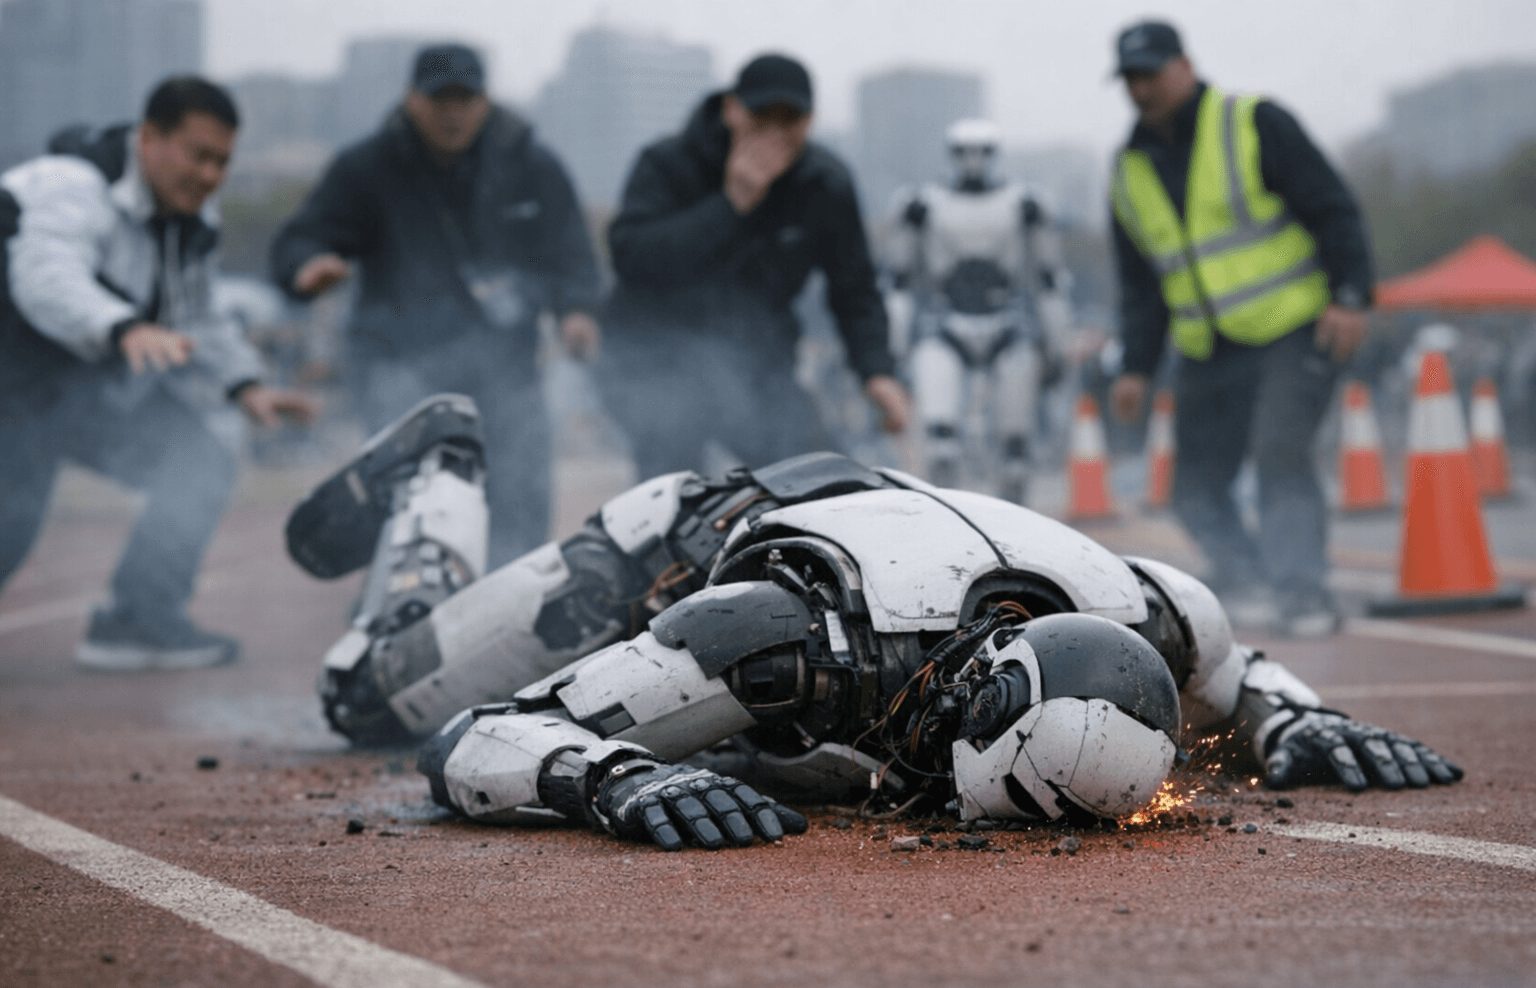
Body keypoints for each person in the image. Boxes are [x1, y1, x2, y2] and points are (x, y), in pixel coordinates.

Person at [283, 394, 1460, 851]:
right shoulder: (780, 639)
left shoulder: (1156, 614)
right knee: (367, 698)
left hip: (890, 517)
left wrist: (1297, 722)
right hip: (674, 544)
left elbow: (1250, 679)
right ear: (966, 709)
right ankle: (438, 462)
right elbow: (477, 739)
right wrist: (614, 778)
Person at [0, 77, 317, 672]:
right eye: (199, 156)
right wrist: (122, 327)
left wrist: (246, 385)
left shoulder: (191, 222)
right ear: (149, 138)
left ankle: (136, 620)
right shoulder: (67, 185)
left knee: (196, 461)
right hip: (11, 389)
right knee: (8, 530)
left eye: (222, 161)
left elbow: (200, 316)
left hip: (73, 393)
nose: (210, 175)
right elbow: (46, 279)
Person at [270, 43, 603, 566]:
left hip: (508, 372)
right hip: (398, 369)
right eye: (438, 100)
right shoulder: (366, 168)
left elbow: (573, 255)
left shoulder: (531, 165)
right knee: (412, 511)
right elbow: (300, 238)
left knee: (520, 508)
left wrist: (577, 312)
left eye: (464, 100)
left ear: (485, 102)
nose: (453, 114)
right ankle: (399, 602)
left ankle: (511, 601)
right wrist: (307, 266)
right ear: (411, 100)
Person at [1104, 21, 1374, 638]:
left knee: (1280, 453)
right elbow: (1141, 284)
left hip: (1292, 328)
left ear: (1185, 66)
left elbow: (1333, 209)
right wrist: (1136, 368)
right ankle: (1247, 578)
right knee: (1193, 487)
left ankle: (1302, 591)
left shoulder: (1253, 122)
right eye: (1130, 78)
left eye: (1150, 73)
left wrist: (1351, 295)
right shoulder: (1127, 170)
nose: (1141, 88)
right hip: (1208, 346)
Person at [600, 53, 910, 480]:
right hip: (656, 361)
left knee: (826, 482)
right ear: (732, 110)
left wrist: (876, 371)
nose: (775, 132)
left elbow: (854, 288)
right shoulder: (667, 163)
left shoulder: (825, 183)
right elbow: (632, 256)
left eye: (790, 119)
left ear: (810, 122)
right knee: (678, 494)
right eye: (762, 116)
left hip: (757, 364)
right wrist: (731, 204)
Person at [884, 118, 1075, 503]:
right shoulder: (921, 204)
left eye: (982, 151)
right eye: (963, 151)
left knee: (1015, 451)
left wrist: (1058, 346)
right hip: (944, 324)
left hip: (1008, 324)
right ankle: (948, 517)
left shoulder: (1025, 203)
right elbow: (899, 281)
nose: (972, 160)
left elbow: (1049, 280)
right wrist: (894, 346)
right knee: (940, 445)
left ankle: (1013, 523)